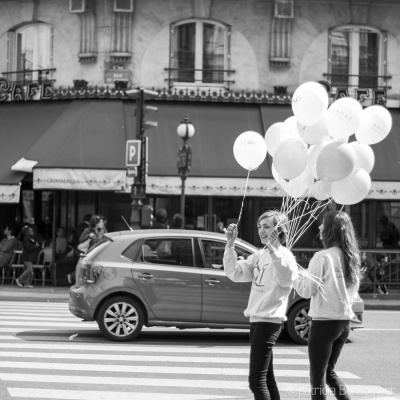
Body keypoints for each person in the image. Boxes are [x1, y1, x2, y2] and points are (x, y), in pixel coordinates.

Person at [224, 210, 298, 400]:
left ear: (278, 230)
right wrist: (230, 244)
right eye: (259, 227)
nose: (262, 231)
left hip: (269, 321)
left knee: (256, 380)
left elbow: (287, 279)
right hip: (256, 321)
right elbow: (235, 273)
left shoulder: (284, 254)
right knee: (267, 379)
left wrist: (273, 251)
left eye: (267, 226)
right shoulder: (259, 255)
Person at [294, 210, 361, 400]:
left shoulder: (322, 257)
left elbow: (306, 290)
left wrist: (294, 275)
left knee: (317, 377)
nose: (320, 227)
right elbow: (353, 294)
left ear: (331, 229)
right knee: (329, 373)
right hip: (344, 324)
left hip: (324, 323)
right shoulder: (352, 257)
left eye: (324, 223)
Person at [68, 214, 106, 284]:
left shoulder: (102, 230)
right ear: (95, 223)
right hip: (89, 252)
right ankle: (76, 279)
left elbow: (105, 239)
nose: (102, 223)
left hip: (99, 252)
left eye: (102, 222)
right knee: (87, 267)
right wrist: (89, 235)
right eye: (100, 222)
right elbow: (81, 239)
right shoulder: (88, 230)